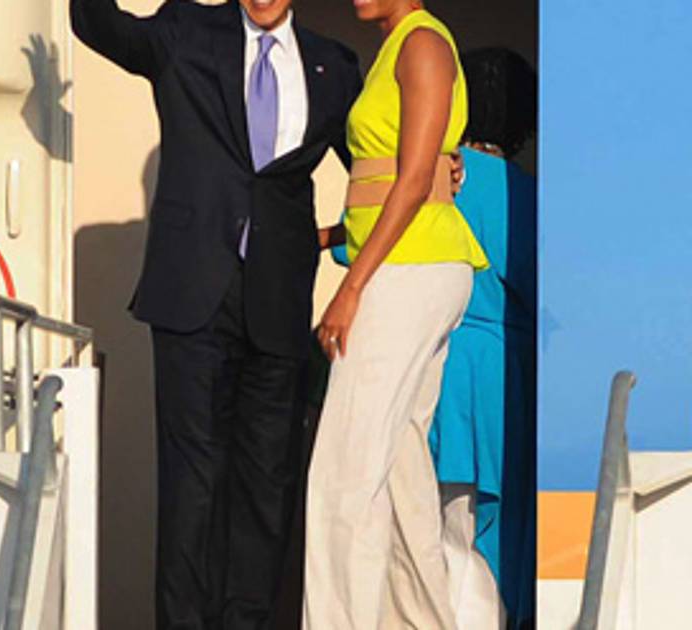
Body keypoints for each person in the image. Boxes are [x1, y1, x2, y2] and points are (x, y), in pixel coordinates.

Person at [70, 1, 363, 628]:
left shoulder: (332, 64)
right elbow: (101, 27)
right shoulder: (186, 30)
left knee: (267, 484)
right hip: (192, 294)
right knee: (192, 482)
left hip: (279, 299)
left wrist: (441, 167)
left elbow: (373, 162)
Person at [305, 1, 488, 629]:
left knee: (344, 468)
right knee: (400, 464)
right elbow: (393, 178)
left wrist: (351, 286)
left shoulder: (423, 44)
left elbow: (413, 182)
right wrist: (326, 237)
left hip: (410, 269)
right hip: (411, 265)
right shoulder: (398, 45)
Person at [430, 47, 538, 629]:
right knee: (489, 537)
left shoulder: (435, 175)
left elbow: (356, 246)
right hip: (502, 376)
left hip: (436, 360)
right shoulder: (529, 197)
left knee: (437, 526)